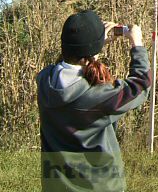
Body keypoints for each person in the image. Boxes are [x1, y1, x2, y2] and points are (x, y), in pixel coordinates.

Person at [37, 10, 150, 192]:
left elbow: (66, 62)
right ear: (92, 51)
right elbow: (141, 86)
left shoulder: (45, 81)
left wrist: (93, 45)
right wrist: (137, 44)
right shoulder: (97, 96)